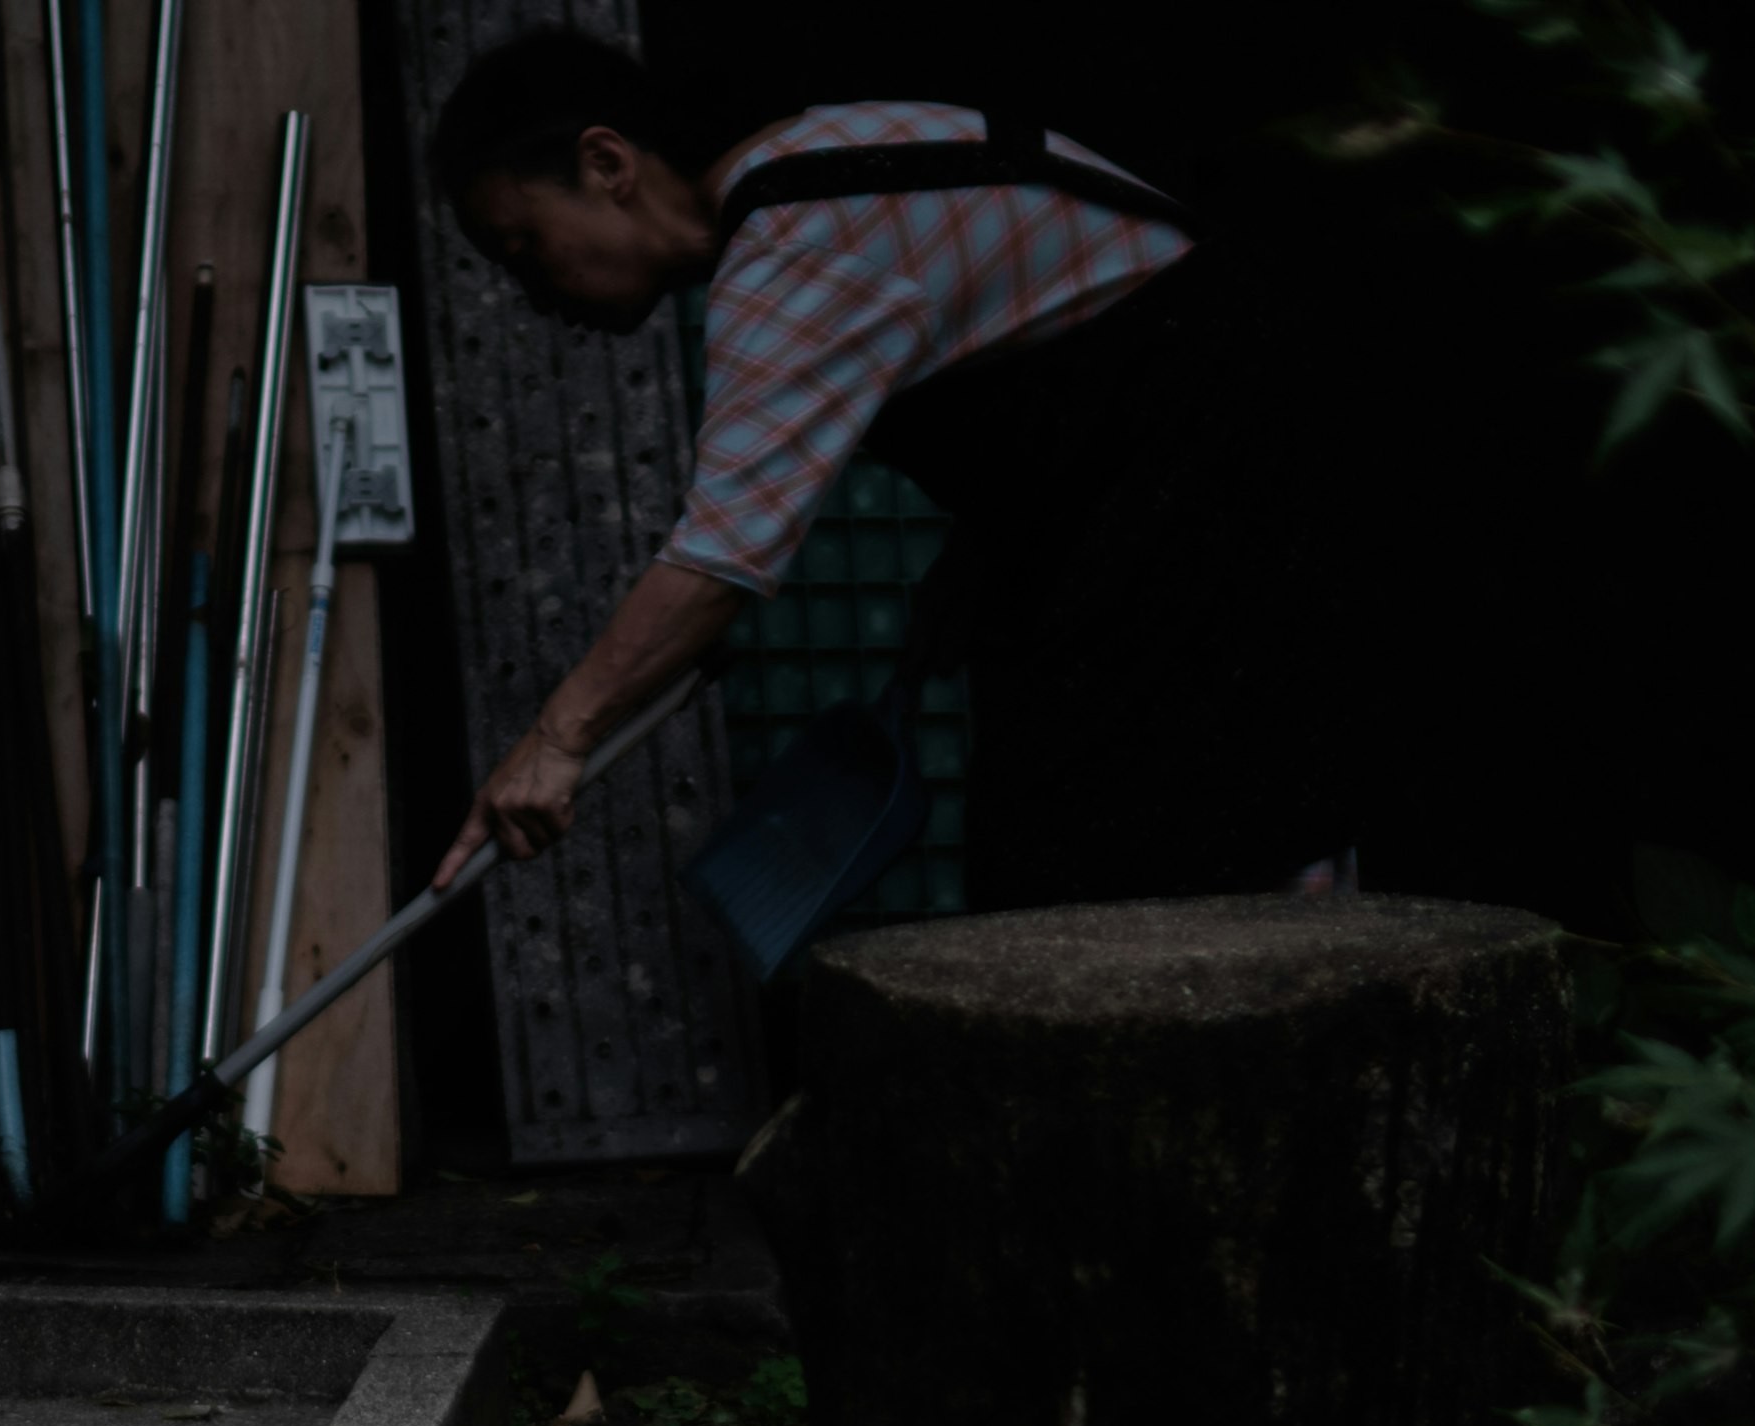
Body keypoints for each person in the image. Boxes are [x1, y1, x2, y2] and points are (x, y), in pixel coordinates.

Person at [427, 32, 1297, 912]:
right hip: (1175, 458)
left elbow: (719, 559)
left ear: (607, 162)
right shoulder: (798, 162)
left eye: (524, 247)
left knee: (1088, 871)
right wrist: (987, 555)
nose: (535, 293)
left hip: (1224, 454)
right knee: (1078, 854)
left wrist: (557, 739)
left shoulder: (789, 244)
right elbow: (1048, 340)